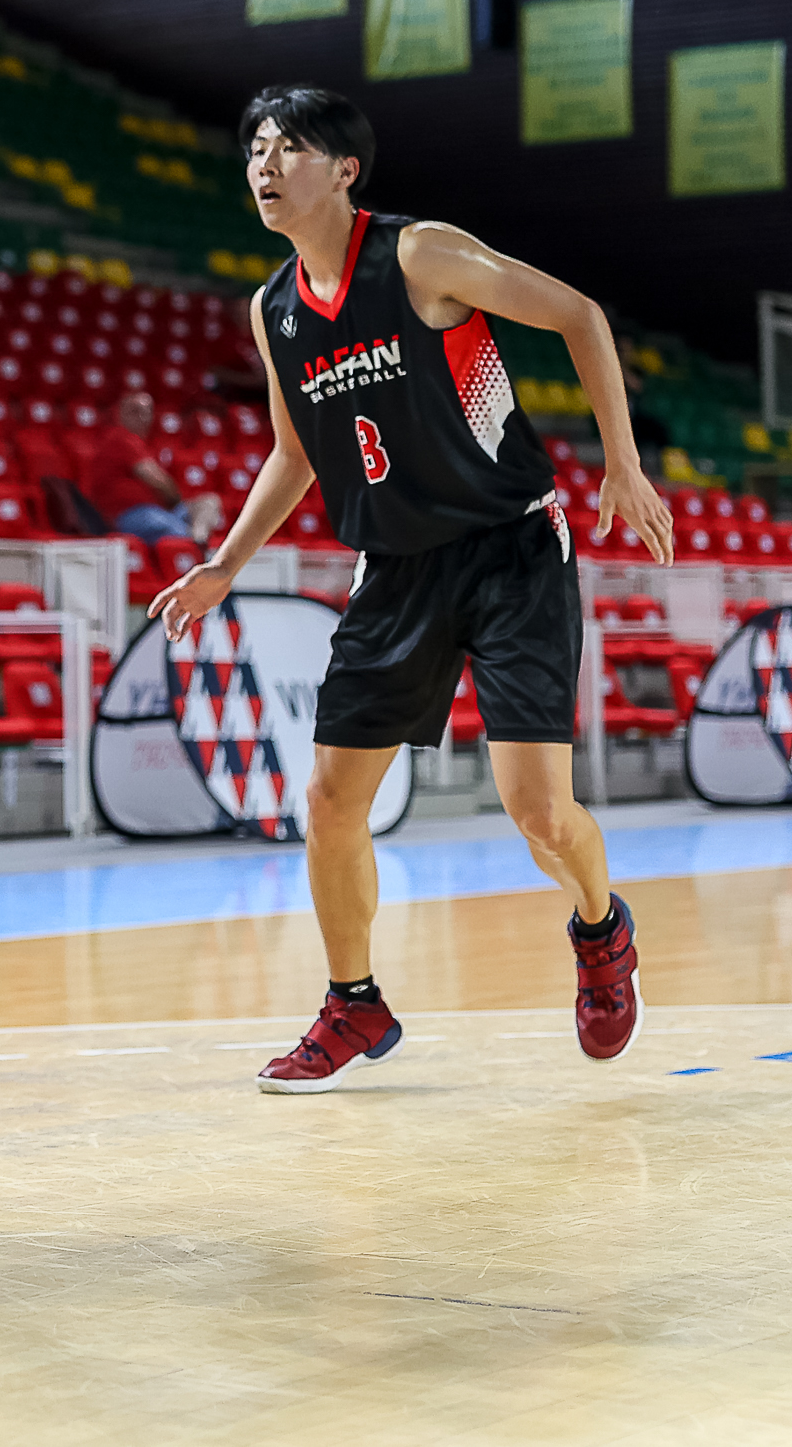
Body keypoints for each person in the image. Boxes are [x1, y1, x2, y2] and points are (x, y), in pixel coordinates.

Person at [149, 85, 671, 1094]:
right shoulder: (275, 311)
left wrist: (622, 460)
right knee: (331, 799)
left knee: (537, 814)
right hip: (394, 568)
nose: (264, 164)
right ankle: (355, 1000)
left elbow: (577, 313)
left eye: (288, 147)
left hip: (511, 547)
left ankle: (602, 931)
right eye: (254, 147)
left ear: (344, 171)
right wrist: (226, 561)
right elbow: (294, 450)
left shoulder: (419, 253)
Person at [83, 389, 222, 546]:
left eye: (146, 412)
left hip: (161, 511)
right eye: (134, 412)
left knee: (209, 502)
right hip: (131, 515)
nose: (141, 417)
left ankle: (199, 539)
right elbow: (156, 479)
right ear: (120, 414)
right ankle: (193, 546)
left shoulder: (147, 444)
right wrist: (174, 496)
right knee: (173, 530)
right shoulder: (120, 438)